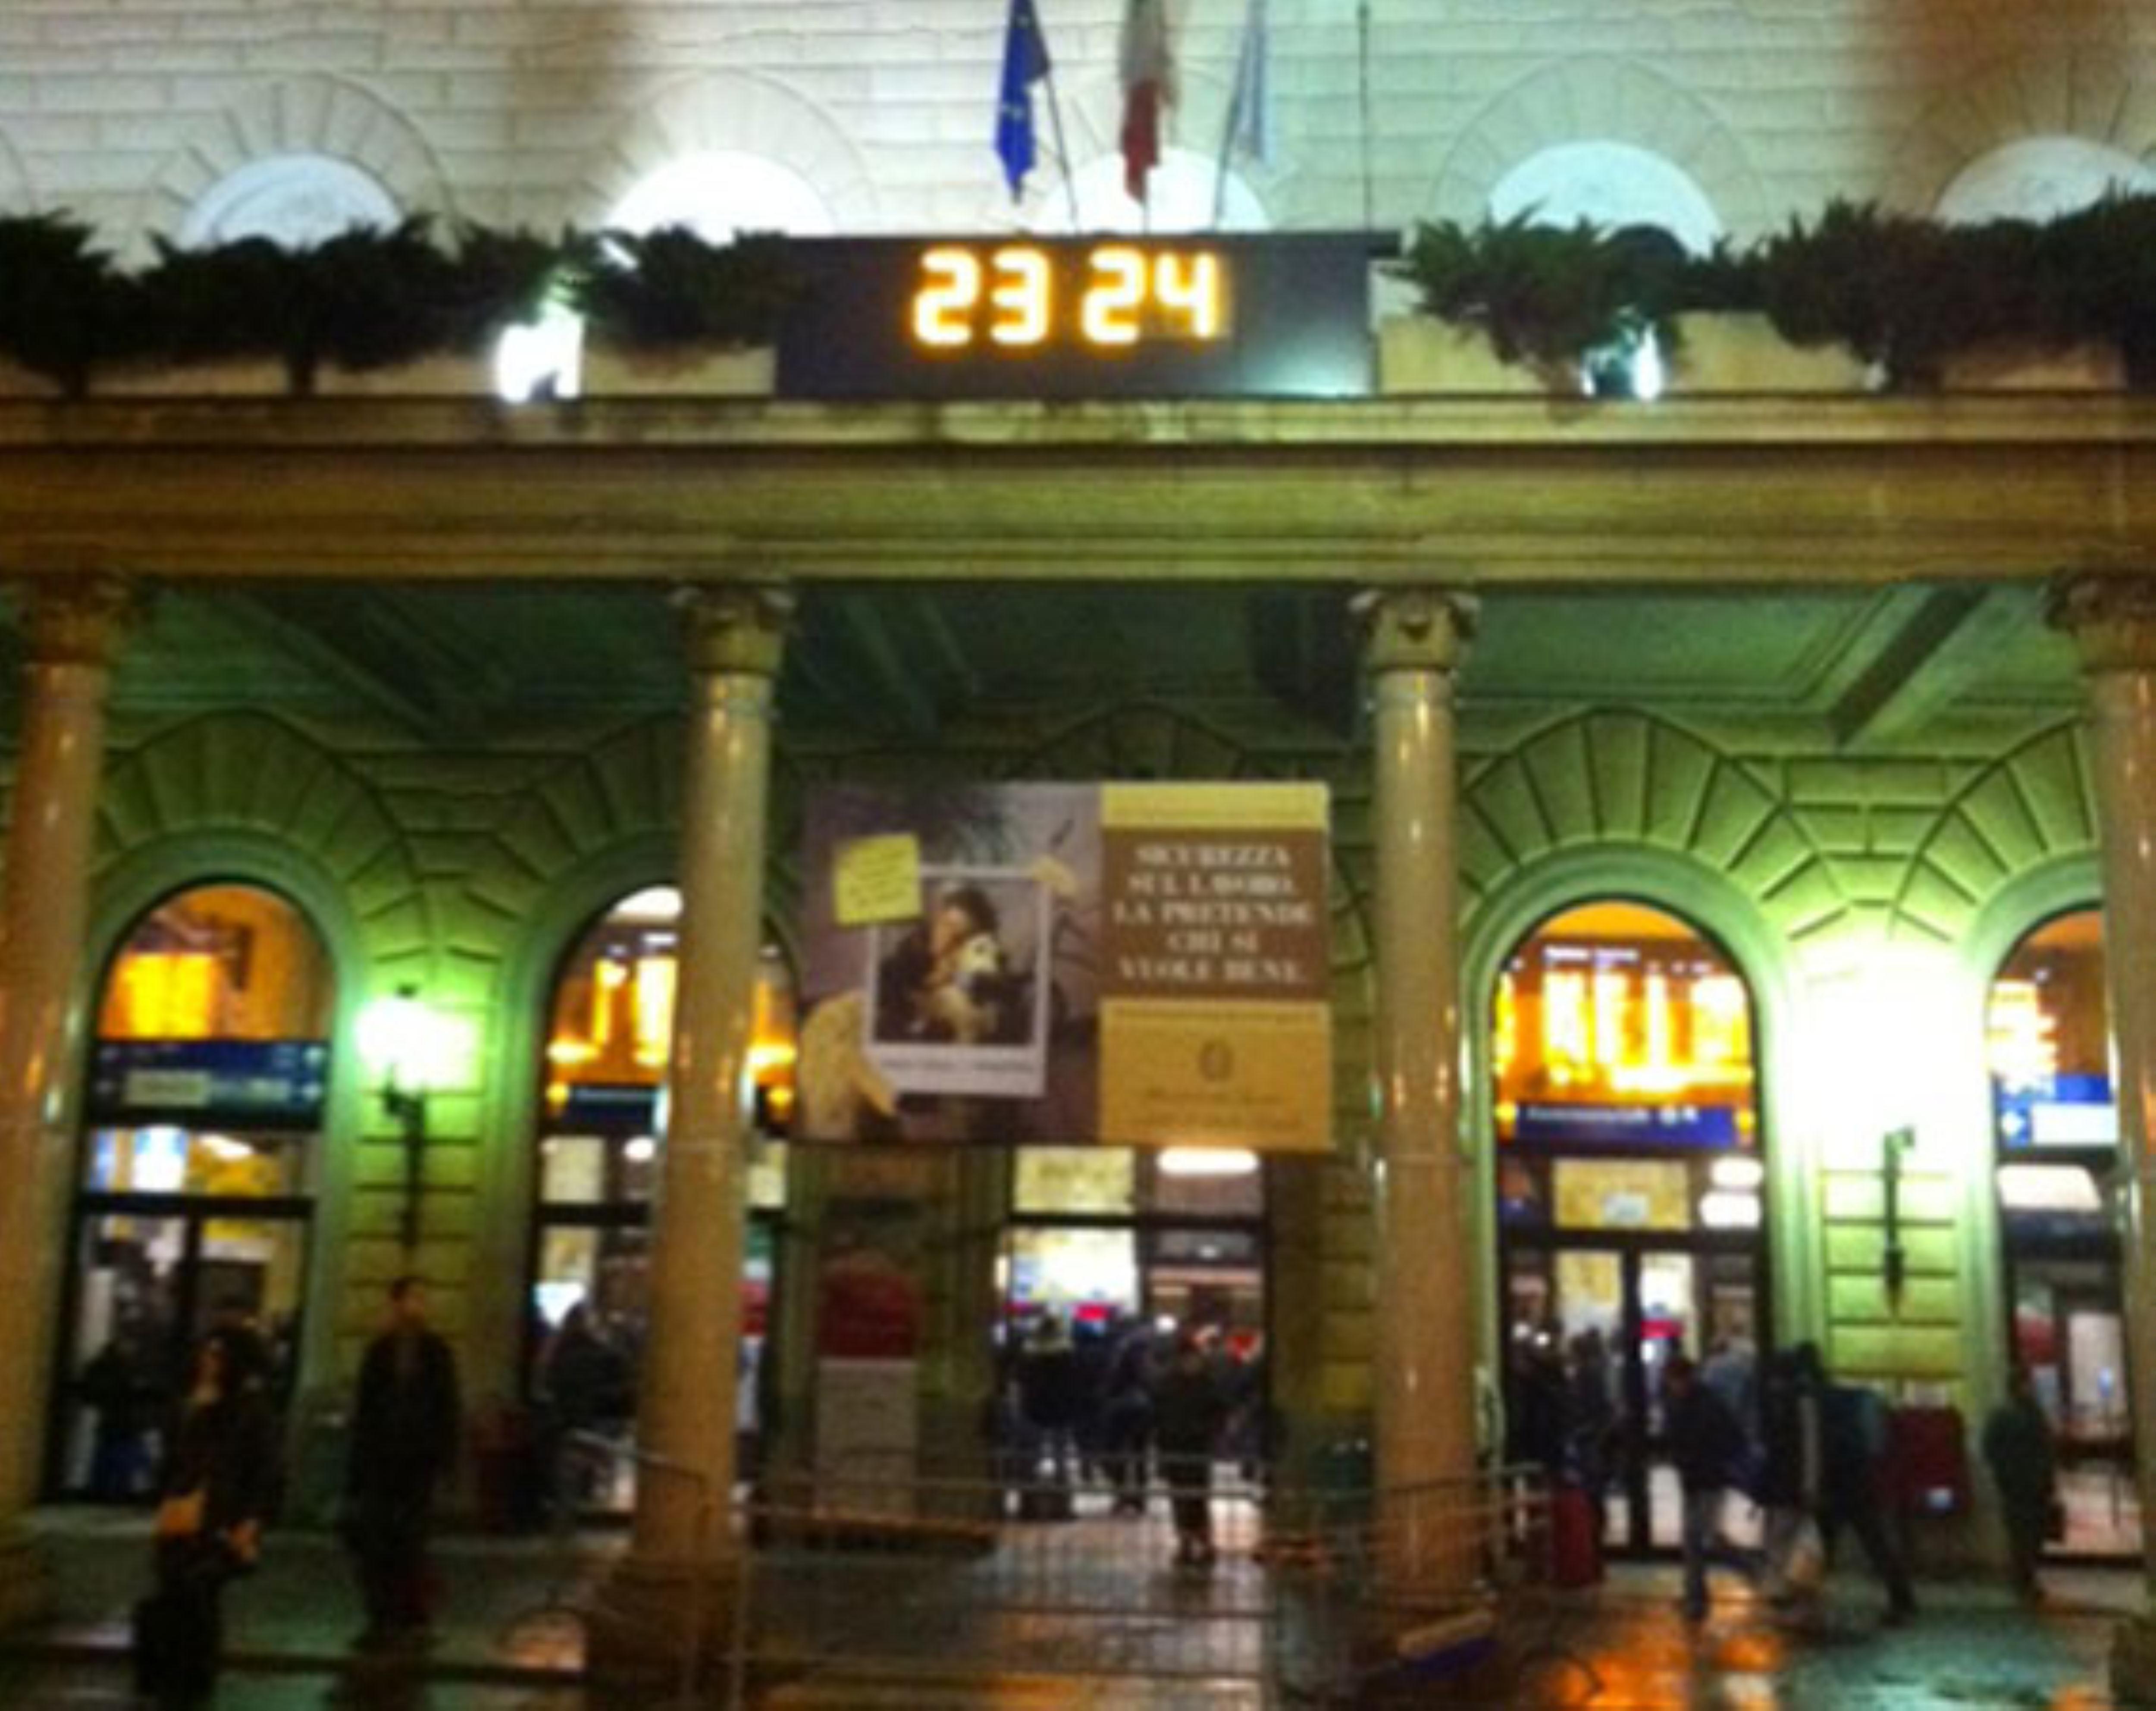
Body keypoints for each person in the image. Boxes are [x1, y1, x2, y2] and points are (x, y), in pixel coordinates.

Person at [133, 1328, 276, 1708]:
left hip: (218, 1522)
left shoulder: (247, 1409)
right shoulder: (193, 1404)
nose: (208, 1361)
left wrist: (250, 1521)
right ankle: (170, 1679)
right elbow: (175, 1460)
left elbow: (261, 1471)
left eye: (217, 1354)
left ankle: (191, 1683)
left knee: (200, 1598)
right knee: (173, 1595)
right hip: (180, 1516)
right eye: (207, 1352)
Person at [344, 1275, 462, 1648]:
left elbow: (447, 1407)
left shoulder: (436, 1351)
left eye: (423, 1299)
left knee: (413, 1538)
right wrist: (358, 1468)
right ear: (395, 1304)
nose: (419, 1306)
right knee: (380, 1540)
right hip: (381, 1459)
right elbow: (365, 1411)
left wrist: (447, 1458)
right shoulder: (379, 1351)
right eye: (413, 1298)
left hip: (418, 1459)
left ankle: (411, 1613)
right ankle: (382, 1613)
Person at [1805, 1344, 1918, 1625]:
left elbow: (1814, 1448)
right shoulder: (1846, 1398)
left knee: (1823, 1548)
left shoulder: (1811, 1402)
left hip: (1833, 1484)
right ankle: (1902, 1597)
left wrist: (1812, 1484)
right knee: (1875, 1543)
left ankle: (1811, 1605)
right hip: (1859, 1480)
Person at [1664, 1351, 1758, 1624]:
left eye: (1674, 1381)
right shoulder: (1687, 1403)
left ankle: (1751, 1569)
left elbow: (1727, 1438)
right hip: (1695, 1480)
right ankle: (1695, 1597)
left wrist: (1702, 1459)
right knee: (1694, 1540)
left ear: (1685, 1379)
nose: (1672, 1387)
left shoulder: (1706, 1405)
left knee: (1703, 1539)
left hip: (1707, 1480)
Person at [1982, 1365, 2058, 1604]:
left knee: (2026, 1535)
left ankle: (2024, 1579)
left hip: (2023, 1484)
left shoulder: (2019, 1413)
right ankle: (2025, 1580)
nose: (2031, 1388)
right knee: (2025, 1535)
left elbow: (1990, 1448)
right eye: (2027, 1384)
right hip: (2023, 1484)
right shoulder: (2026, 1414)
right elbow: (2045, 1446)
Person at [1153, 1332, 1230, 1567]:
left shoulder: (1171, 1381)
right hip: (1186, 1444)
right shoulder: (1200, 1381)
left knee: (1191, 1496)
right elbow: (1220, 1409)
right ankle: (1193, 1542)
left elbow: (1219, 1409)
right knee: (1187, 1496)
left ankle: (1195, 1542)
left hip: (1186, 1444)